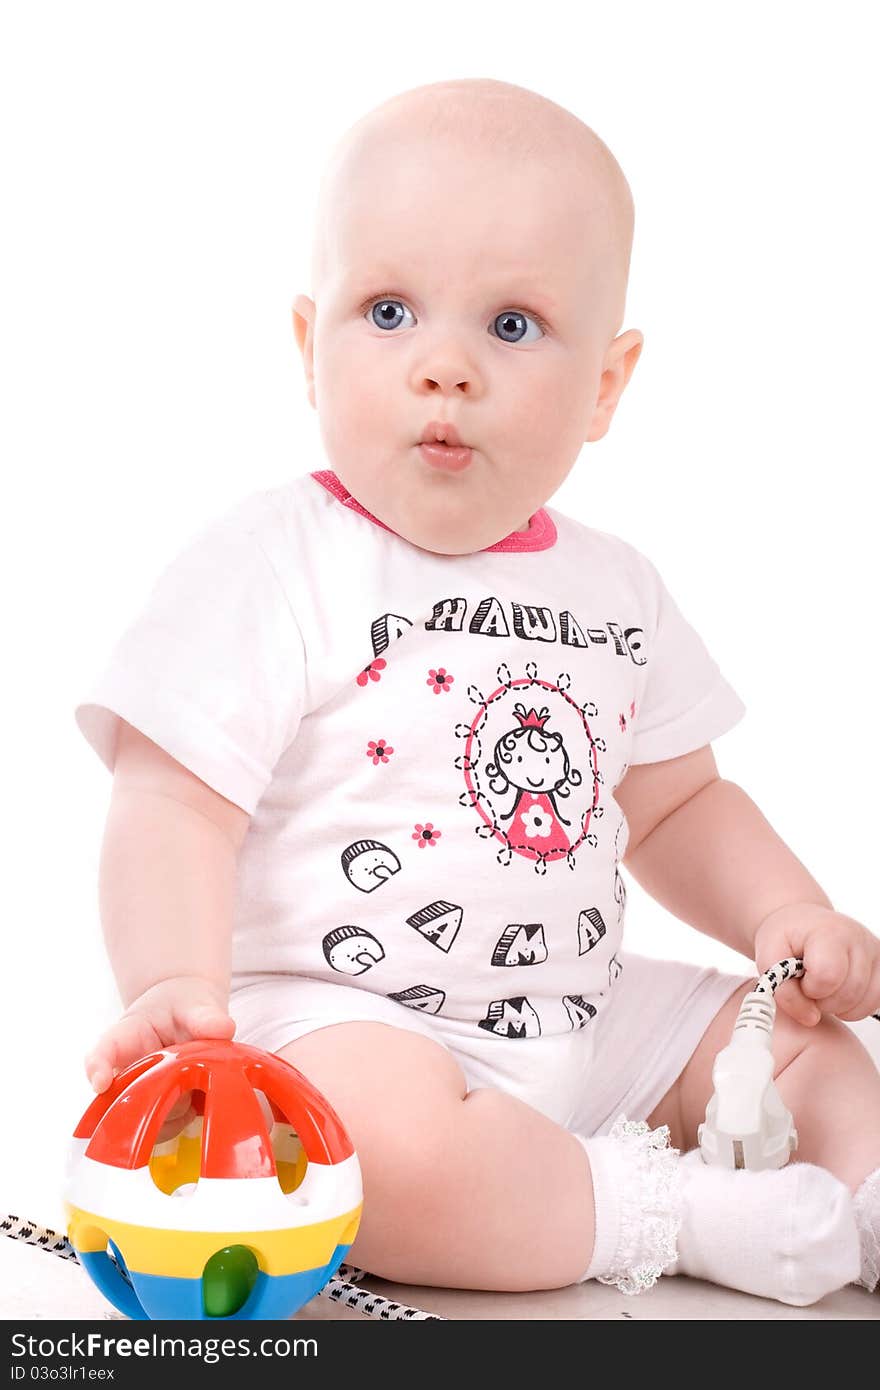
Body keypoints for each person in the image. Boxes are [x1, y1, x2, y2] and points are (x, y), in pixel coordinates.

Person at [75, 77, 880, 1305]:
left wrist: (789, 913)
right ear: (309, 345)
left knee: (806, 1052)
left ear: (607, 386)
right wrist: (171, 986)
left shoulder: (617, 587)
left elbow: (673, 807)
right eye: (389, 311)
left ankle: (861, 1197)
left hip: (585, 1011)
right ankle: (662, 1215)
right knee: (362, 1156)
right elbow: (172, 796)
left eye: (511, 326)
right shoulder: (269, 562)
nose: (443, 366)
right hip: (344, 1021)